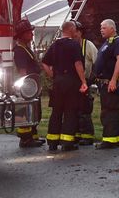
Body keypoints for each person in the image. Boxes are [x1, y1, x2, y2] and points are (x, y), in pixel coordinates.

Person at [41, 21, 88, 152]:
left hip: (58, 82)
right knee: (70, 110)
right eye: (74, 29)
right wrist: (83, 81)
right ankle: (67, 142)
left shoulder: (55, 45)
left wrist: (53, 75)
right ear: (71, 29)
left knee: (56, 111)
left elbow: (44, 63)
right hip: (71, 81)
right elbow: (78, 64)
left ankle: (52, 141)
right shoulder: (74, 44)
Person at [92, 19, 119, 149]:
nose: (101, 30)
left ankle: (109, 140)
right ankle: (117, 138)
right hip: (103, 82)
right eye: (101, 28)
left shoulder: (118, 42)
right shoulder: (108, 42)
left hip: (110, 83)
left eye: (104, 28)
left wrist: (113, 80)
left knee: (108, 111)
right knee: (112, 110)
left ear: (112, 29)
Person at [12, 19, 44, 148]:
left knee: (36, 111)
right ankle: (25, 139)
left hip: (33, 85)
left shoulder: (26, 48)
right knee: (27, 111)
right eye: (29, 32)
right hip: (28, 87)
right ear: (22, 35)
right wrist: (26, 89)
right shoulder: (19, 51)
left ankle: (33, 135)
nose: (31, 34)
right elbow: (22, 71)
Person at [72, 20, 98, 146]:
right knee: (73, 110)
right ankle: (76, 135)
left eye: (75, 31)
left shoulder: (88, 46)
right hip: (72, 83)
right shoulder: (69, 45)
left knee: (85, 110)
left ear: (80, 32)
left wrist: (90, 80)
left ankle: (87, 136)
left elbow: (97, 63)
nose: (73, 34)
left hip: (85, 81)